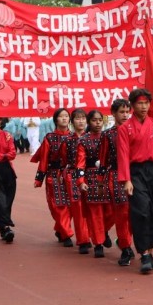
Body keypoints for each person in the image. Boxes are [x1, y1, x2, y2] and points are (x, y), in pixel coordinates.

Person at [117, 88, 153, 274]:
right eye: (139, 103)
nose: (143, 107)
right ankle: (143, 254)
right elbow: (123, 155)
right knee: (141, 211)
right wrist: (126, 179)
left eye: (146, 103)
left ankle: (150, 252)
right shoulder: (124, 128)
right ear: (132, 106)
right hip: (136, 172)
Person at [97, 100, 135, 265]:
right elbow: (104, 160)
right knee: (122, 213)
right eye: (122, 112)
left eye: (127, 111)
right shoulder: (108, 135)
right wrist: (100, 182)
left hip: (136, 175)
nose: (125, 115)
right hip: (116, 176)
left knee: (136, 213)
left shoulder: (136, 131)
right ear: (113, 113)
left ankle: (124, 240)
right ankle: (126, 247)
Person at [32, 108, 74, 246]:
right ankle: (67, 234)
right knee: (58, 205)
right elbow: (44, 159)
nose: (64, 119)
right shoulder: (49, 138)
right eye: (61, 116)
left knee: (71, 205)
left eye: (66, 116)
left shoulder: (74, 137)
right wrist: (39, 178)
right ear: (55, 119)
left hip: (70, 175)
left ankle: (60, 229)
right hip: (54, 175)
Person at [76, 110, 111, 257]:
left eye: (100, 120)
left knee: (111, 211)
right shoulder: (83, 140)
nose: (97, 123)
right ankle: (98, 243)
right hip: (91, 178)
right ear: (89, 122)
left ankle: (104, 231)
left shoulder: (109, 137)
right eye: (94, 120)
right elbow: (80, 163)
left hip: (109, 177)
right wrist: (81, 181)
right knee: (95, 212)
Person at [60, 109, 91, 254]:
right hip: (73, 176)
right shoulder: (67, 140)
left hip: (91, 175)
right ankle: (83, 240)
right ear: (72, 122)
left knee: (94, 207)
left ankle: (95, 235)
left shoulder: (93, 137)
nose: (81, 121)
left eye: (83, 118)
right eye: (77, 119)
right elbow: (64, 159)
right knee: (78, 208)